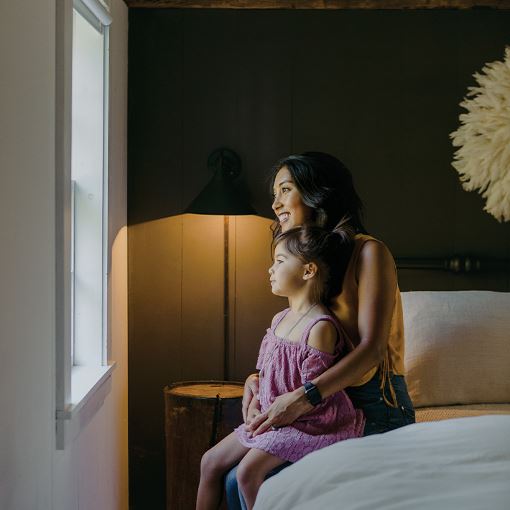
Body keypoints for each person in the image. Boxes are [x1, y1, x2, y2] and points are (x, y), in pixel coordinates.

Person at [225, 152, 416, 510]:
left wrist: (302, 398)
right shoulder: (305, 260)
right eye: (275, 193)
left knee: (249, 480)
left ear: (317, 194)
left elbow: (372, 349)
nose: (275, 202)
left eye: (285, 190)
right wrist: (256, 379)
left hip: (374, 407)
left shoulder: (369, 252)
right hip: (320, 409)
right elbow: (296, 346)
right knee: (231, 474)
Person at [196, 224, 365, 510]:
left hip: (309, 423)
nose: (270, 269)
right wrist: (254, 399)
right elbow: (264, 374)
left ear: (308, 270)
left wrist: (269, 411)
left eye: (280, 261)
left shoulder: (319, 328)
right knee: (210, 461)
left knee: (248, 474)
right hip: (271, 415)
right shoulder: (280, 320)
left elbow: (311, 398)